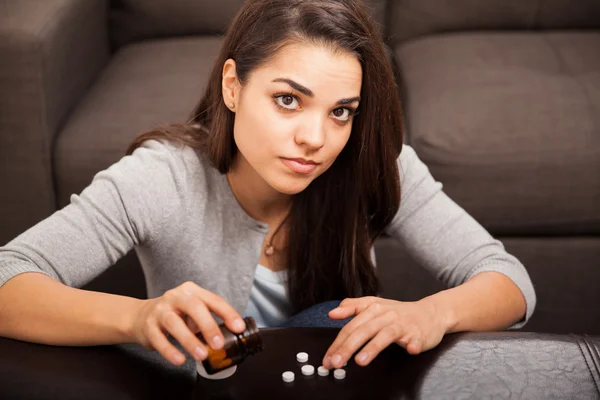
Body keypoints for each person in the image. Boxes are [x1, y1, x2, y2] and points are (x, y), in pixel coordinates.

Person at [0, 0, 535, 374]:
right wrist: (137, 317)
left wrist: (430, 313)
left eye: (341, 111)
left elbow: (509, 282)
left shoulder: (372, 160)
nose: (315, 139)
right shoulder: (161, 175)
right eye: (288, 100)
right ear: (233, 86)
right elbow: (8, 277)